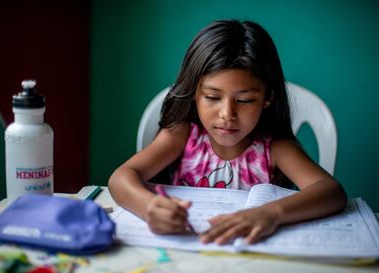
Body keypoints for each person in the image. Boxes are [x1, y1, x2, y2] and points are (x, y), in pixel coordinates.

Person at [108, 19, 347, 245]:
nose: (227, 114)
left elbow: (331, 191)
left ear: (267, 98)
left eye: (244, 100)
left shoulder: (274, 148)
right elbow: (121, 178)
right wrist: (149, 207)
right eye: (212, 97)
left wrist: (271, 213)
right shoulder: (182, 135)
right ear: (194, 93)